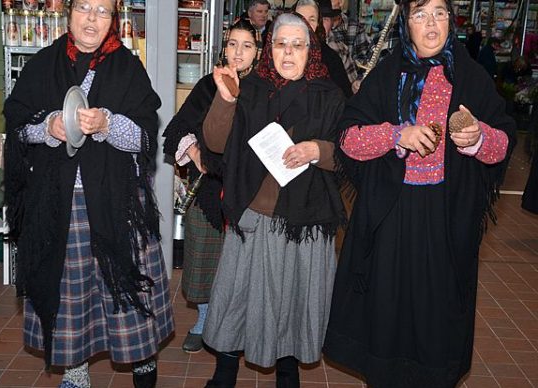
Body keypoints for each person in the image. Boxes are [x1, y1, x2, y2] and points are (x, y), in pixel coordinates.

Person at [323, 0, 516, 386]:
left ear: (451, 21)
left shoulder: (472, 78)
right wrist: (399, 134)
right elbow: (347, 139)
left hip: (445, 219)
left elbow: (504, 143)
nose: (431, 23)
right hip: (390, 216)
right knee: (386, 313)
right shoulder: (386, 76)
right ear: (405, 24)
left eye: (440, 13)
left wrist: (477, 139)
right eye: (419, 14)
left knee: (436, 319)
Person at [3, 1, 174, 388]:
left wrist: (107, 124)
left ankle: (142, 359)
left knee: (129, 290)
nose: (92, 19)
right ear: (69, 12)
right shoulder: (43, 64)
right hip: (59, 206)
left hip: (118, 205)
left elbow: (146, 137)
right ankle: (76, 372)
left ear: (114, 19)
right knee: (70, 297)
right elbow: (16, 126)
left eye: (103, 11)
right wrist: (47, 127)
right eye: (84, 7)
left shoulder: (126, 67)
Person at [201, 12, 348, 387]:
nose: (288, 52)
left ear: (310, 50)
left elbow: (347, 156)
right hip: (253, 215)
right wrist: (224, 100)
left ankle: (288, 374)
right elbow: (216, 142)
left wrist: (317, 149)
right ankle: (225, 371)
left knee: (293, 303)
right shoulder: (250, 89)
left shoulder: (330, 96)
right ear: (270, 49)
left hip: (305, 221)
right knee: (236, 300)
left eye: (298, 45)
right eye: (281, 43)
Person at [162, 18, 261, 354]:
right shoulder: (208, 84)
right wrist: (193, 151)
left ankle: (238, 326)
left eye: (247, 46)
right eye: (233, 44)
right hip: (209, 189)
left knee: (243, 265)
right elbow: (178, 127)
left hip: (249, 191)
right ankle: (204, 320)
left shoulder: (262, 89)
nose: (238, 52)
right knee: (203, 258)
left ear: (257, 52)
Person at [295, 0, 353, 97]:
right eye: (301, 19)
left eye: (312, 19)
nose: (306, 25)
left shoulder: (332, 56)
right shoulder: (281, 51)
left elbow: (344, 94)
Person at [326, 0, 371, 80]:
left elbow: (365, 63)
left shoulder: (355, 29)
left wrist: (358, 80)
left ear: (341, 2)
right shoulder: (316, 29)